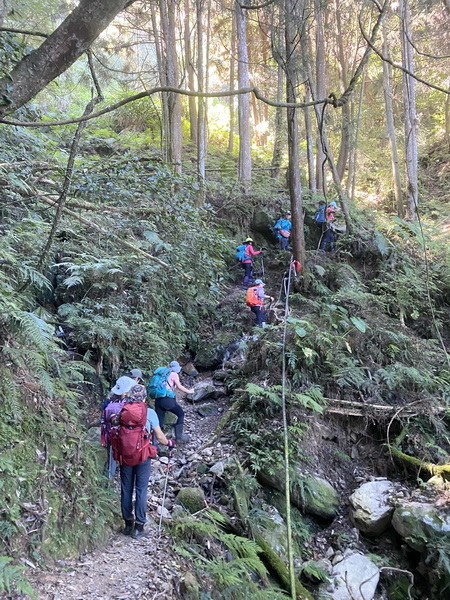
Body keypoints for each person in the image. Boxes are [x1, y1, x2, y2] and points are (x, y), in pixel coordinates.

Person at [111, 378, 175, 539]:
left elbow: (114, 422)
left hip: (125, 455)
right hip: (143, 456)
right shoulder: (149, 413)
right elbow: (160, 437)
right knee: (141, 489)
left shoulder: (123, 411)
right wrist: (170, 443)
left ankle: (127, 525)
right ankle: (139, 527)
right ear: (145, 398)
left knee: (126, 489)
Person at [154, 361, 194, 443]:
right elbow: (179, 386)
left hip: (158, 399)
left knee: (159, 421)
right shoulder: (174, 374)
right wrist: (189, 391)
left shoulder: (162, 375)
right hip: (167, 400)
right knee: (180, 414)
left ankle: (154, 442)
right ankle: (179, 437)